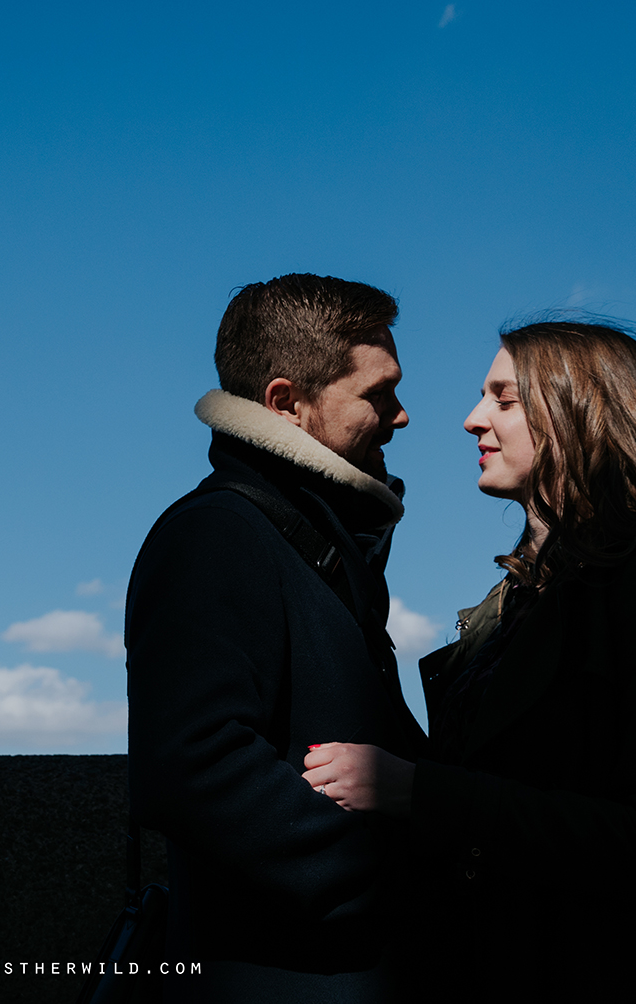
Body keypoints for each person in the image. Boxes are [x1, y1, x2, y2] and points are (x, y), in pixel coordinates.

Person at [301, 320, 636, 1000]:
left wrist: (421, 791)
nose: (472, 419)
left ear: (579, 411)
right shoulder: (514, 602)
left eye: (504, 399)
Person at [127, 274, 431, 1001]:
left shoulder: (306, 541)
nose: (402, 416)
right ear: (287, 404)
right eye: (378, 393)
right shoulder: (217, 534)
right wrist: (404, 866)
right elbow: (193, 768)